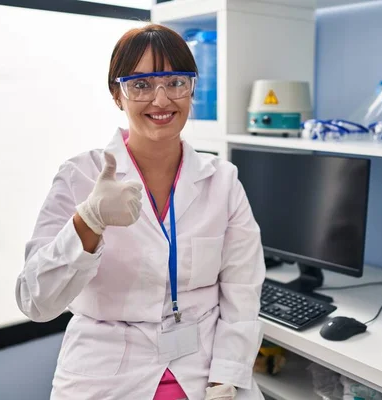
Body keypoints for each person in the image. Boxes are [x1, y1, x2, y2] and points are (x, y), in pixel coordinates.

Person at [15, 23, 266, 400]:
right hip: (105, 373)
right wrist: (88, 220)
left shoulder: (223, 182)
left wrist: (225, 377)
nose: (162, 100)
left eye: (176, 82)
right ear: (117, 95)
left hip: (204, 368)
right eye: (142, 84)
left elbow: (242, 293)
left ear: (192, 88)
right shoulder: (79, 176)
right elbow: (35, 302)